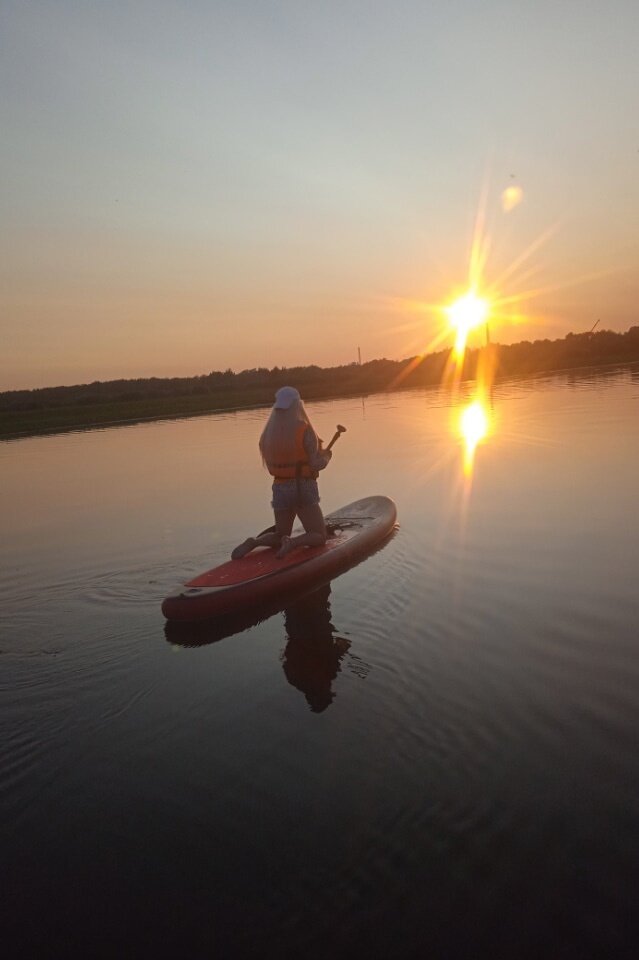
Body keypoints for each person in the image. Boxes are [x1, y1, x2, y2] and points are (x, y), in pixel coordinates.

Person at [231, 386, 333, 560]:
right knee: (319, 535)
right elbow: (315, 465)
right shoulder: (304, 430)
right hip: (303, 489)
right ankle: (291, 543)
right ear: (297, 405)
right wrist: (327, 456)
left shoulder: (267, 435)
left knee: (280, 533)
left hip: (280, 488)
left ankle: (254, 542)